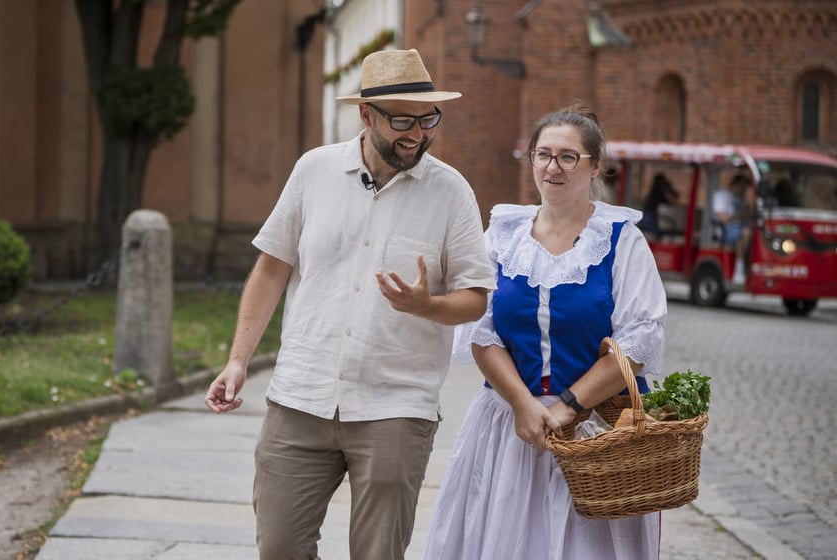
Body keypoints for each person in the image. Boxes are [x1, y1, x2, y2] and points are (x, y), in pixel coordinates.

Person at [204, 48, 495, 560]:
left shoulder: (452, 193)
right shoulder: (313, 171)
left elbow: (475, 298)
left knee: (377, 554)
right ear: (366, 115)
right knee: (278, 547)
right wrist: (237, 361)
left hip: (396, 406)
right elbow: (272, 267)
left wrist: (427, 306)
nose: (417, 134)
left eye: (428, 119)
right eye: (402, 120)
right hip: (300, 394)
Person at [423, 102, 668, 560]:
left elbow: (638, 339)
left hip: (596, 434)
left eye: (568, 156)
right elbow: (483, 328)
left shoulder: (621, 239)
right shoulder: (504, 234)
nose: (552, 167)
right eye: (543, 154)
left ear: (595, 166)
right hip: (509, 425)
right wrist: (523, 404)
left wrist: (568, 407)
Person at [712, 173, 753, 284]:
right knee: (744, 234)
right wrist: (740, 216)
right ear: (736, 184)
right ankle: (739, 270)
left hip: (738, 229)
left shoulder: (740, 199)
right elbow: (723, 218)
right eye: (742, 187)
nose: (743, 190)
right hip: (723, 231)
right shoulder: (721, 196)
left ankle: (748, 268)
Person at [638, 172, 679, 239]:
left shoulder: (655, 194)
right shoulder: (656, 194)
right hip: (650, 220)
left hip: (650, 220)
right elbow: (672, 200)